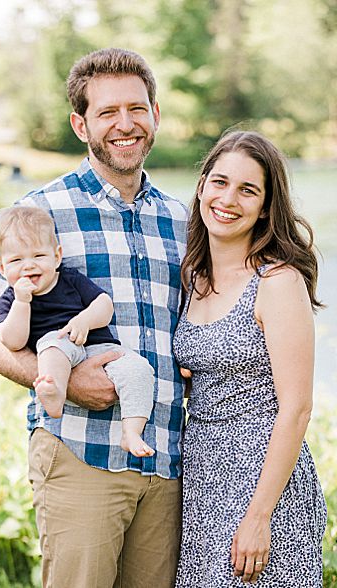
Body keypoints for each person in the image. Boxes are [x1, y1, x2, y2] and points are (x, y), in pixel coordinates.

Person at [0, 47, 188, 587]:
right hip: (80, 452)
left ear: (155, 114)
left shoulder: (183, 219)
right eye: (107, 113)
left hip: (166, 460)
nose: (125, 125)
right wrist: (66, 384)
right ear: (80, 123)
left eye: (137, 109)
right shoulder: (39, 213)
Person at [173, 130, 325, 586]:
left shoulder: (277, 281)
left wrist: (260, 516)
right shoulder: (193, 276)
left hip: (263, 485)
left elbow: (296, 409)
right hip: (202, 481)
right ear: (202, 186)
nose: (228, 199)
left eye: (248, 189)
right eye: (219, 182)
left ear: (265, 207)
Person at [0, 205, 156, 458]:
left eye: (38, 256)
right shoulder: (11, 299)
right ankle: (54, 394)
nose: (28, 266)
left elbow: (104, 305)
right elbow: (12, 341)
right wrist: (22, 303)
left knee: (139, 369)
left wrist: (84, 320)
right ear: (2, 267)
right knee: (51, 346)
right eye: (16, 260)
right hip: (59, 348)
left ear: (57, 256)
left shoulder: (70, 279)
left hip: (98, 346)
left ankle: (131, 431)